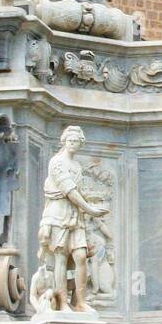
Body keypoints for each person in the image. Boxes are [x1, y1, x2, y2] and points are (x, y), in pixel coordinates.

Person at [37, 126, 108, 313]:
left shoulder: (76, 166)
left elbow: (80, 192)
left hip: (75, 215)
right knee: (61, 257)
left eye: (76, 142)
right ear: (64, 141)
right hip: (58, 213)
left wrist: (97, 202)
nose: (73, 144)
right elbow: (69, 191)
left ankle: (81, 302)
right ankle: (62, 303)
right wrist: (91, 209)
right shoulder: (56, 162)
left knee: (81, 256)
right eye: (70, 141)